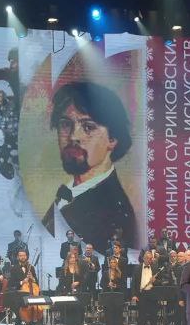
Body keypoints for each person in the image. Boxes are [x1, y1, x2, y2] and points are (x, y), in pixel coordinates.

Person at [42, 81, 137, 251]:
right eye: (66, 124)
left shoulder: (114, 213)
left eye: (88, 127)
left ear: (112, 139)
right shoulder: (71, 192)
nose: (73, 136)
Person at [56, 249, 85, 325]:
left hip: (77, 293)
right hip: (67, 293)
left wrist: (78, 282)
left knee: (76, 314)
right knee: (68, 314)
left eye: (74, 257)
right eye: (71, 258)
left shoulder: (78, 269)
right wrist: (68, 286)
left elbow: (83, 280)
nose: (73, 259)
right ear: (68, 259)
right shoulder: (63, 270)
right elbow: (61, 283)